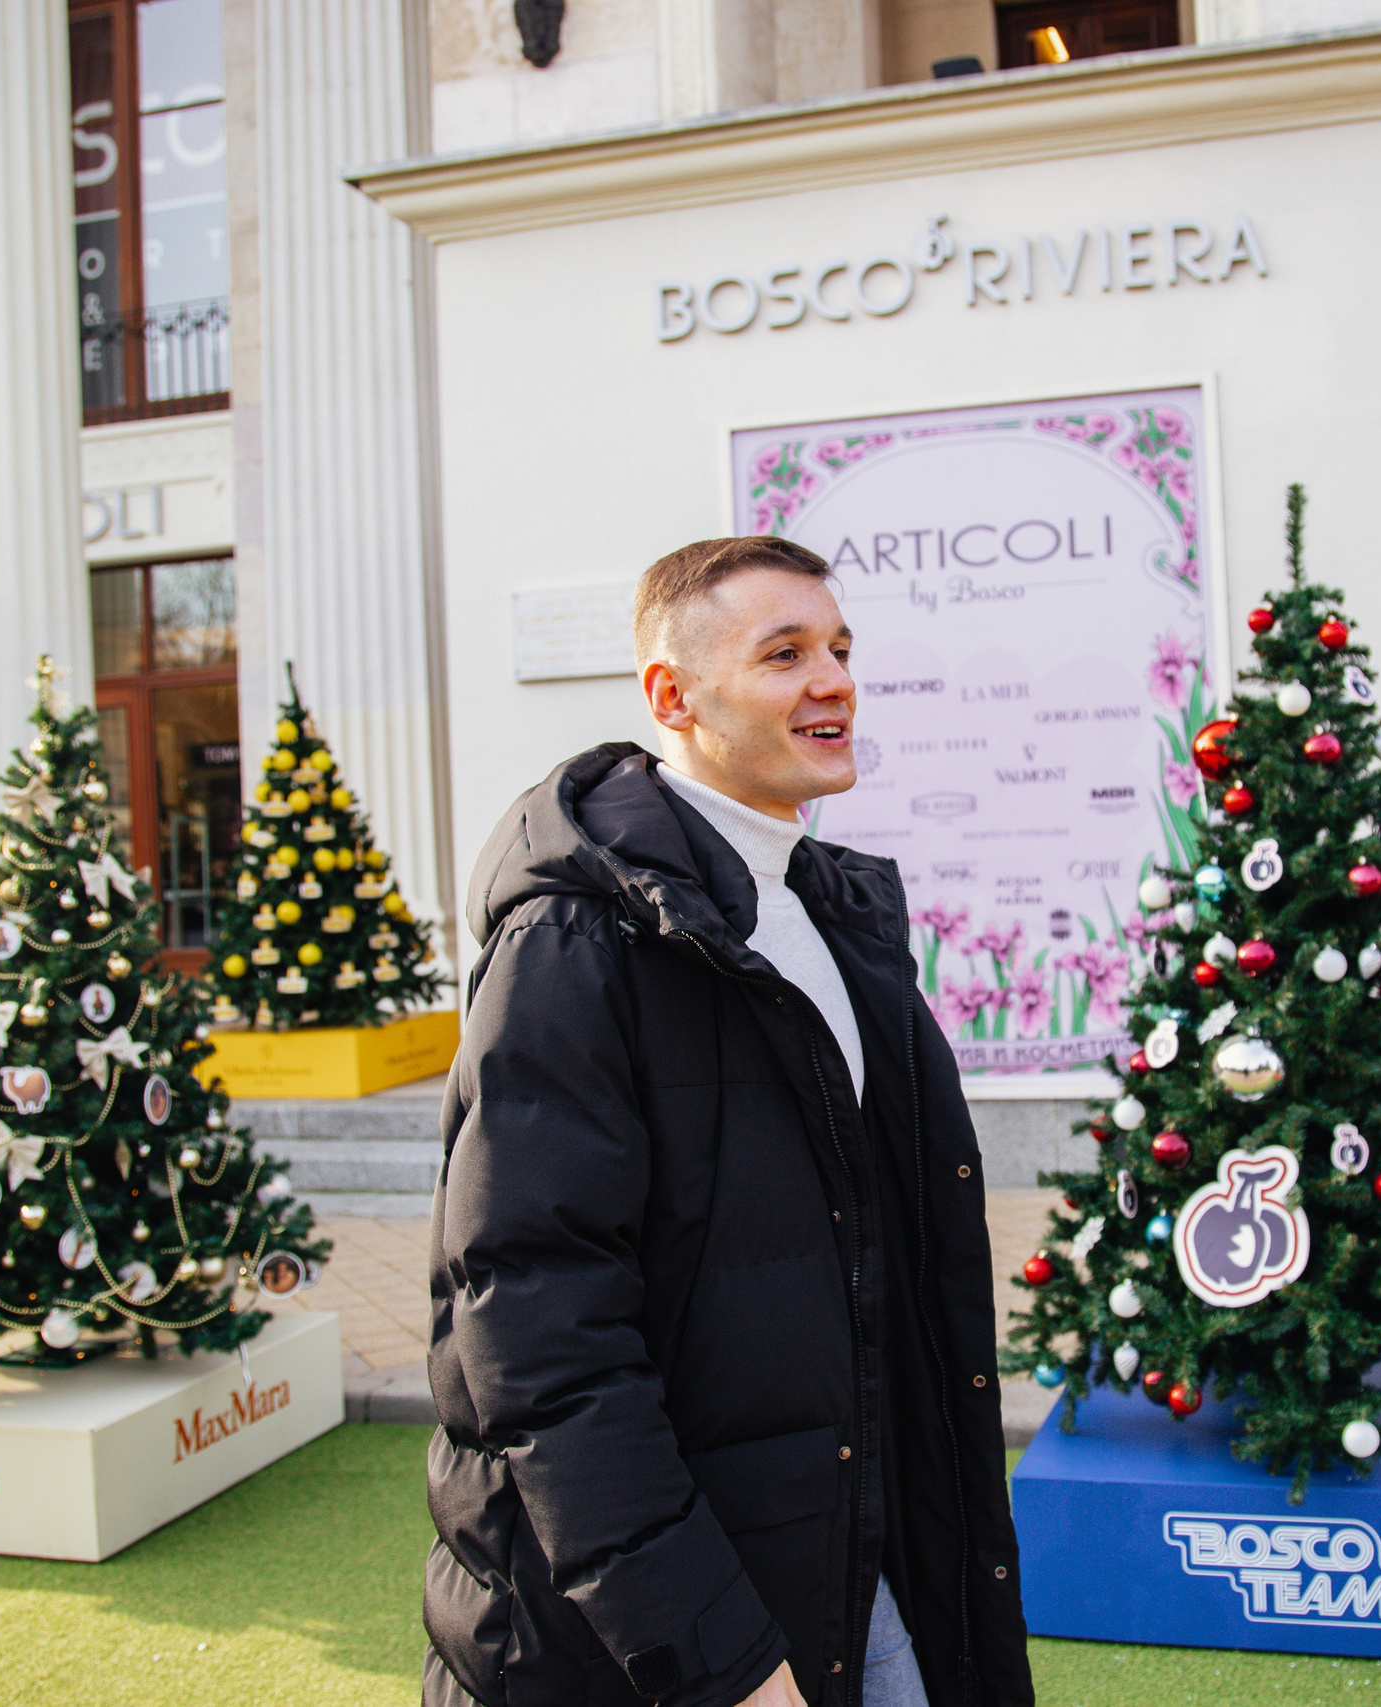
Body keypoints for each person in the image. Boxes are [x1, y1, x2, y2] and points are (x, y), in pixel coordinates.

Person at [424, 536, 1034, 1707]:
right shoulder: (572, 944)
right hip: (659, 1637)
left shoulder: (828, 910)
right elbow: (541, 1341)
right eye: (786, 653)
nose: (836, 681)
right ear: (673, 697)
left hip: (852, 1563)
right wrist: (724, 1659)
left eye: (843, 650)